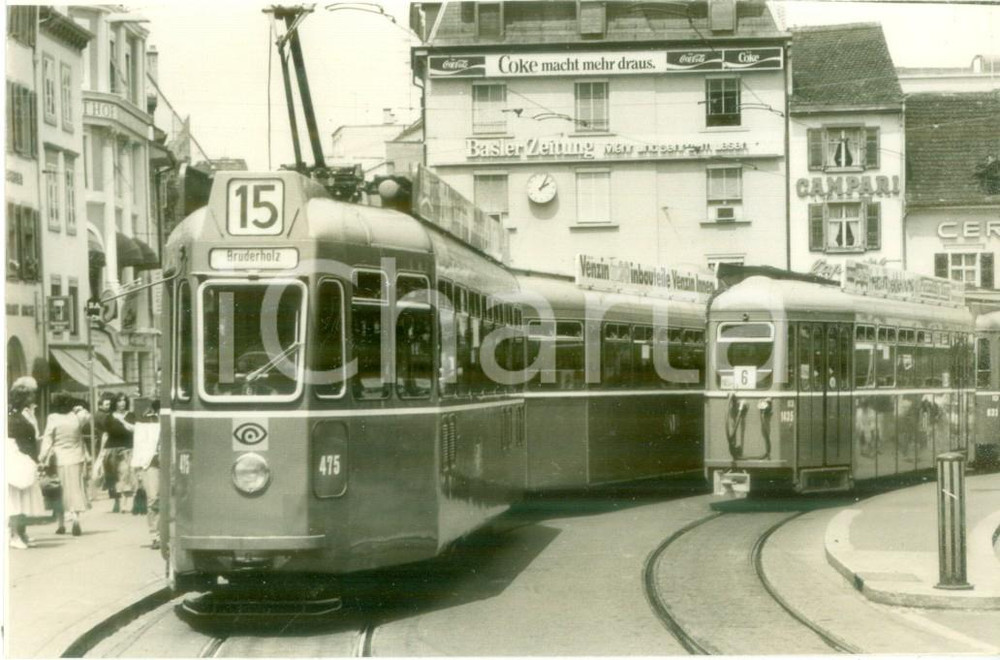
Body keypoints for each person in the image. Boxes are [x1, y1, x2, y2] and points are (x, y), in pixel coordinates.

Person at [39, 394, 92, 536]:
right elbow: (87, 415)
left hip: (59, 458)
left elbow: (48, 439)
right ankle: (75, 518)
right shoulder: (76, 417)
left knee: (59, 490)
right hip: (76, 458)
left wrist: (42, 457)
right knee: (75, 489)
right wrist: (79, 408)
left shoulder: (53, 418)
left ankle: (61, 524)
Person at [7, 377, 46, 548]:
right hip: (17, 457)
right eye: (30, 395)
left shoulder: (27, 413)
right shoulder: (13, 416)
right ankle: (14, 535)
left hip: (27, 457)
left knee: (25, 498)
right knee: (16, 498)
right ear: (22, 397)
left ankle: (21, 532)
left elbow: (34, 435)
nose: (33, 397)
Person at [132, 400, 161, 549]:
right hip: (152, 463)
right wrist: (138, 471)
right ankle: (155, 535)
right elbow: (140, 446)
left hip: (172, 462)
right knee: (154, 499)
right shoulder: (146, 425)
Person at [104, 393, 136, 512]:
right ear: (115, 403)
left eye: (124, 400)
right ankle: (116, 501)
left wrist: (122, 421)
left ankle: (124, 503)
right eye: (119, 400)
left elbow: (134, 429)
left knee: (125, 474)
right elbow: (106, 434)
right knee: (113, 476)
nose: (122, 403)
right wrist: (102, 452)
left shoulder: (130, 415)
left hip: (127, 448)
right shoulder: (109, 417)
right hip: (111, 449)